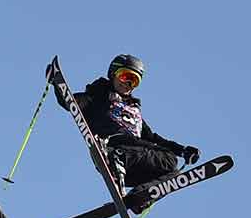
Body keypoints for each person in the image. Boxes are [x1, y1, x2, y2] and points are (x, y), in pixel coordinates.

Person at [66, 53, 200, 210]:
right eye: (125, 76)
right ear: (113, 74)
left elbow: (154, 138)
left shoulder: (132, 111)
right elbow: (72, 102)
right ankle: (119, 159)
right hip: (113, 148)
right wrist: (58, 86)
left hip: (131, 167)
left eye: (134, 81)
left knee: (174, 174)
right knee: (170, 161)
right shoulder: (98, 97)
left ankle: (139, 198)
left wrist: (182, 150)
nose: (128, 84)